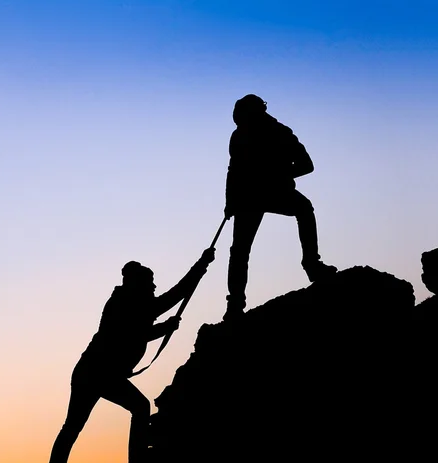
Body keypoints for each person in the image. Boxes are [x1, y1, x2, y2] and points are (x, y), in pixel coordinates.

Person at [49, 247, 216, 463]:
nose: (154, 286)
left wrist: (165, 327)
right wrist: (202, 264)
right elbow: (172, 299)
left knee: (73, 427)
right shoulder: (130, 303)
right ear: (139, 284)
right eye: (151, 282)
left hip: (92, 372)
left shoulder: (129, 302)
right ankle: (136, 459)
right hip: (99, 374)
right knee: (136, 408)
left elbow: (140, 328)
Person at [224, 94, 337, 321]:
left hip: (268, 193)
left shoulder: (279, 132)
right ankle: (235, 303)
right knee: (240, 250)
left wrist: (278, 176)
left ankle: (312, 265)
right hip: (250, 197)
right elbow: (233, 170)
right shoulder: (241, 135)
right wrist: (230, 202)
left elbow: (307, 165)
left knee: (241, 250)